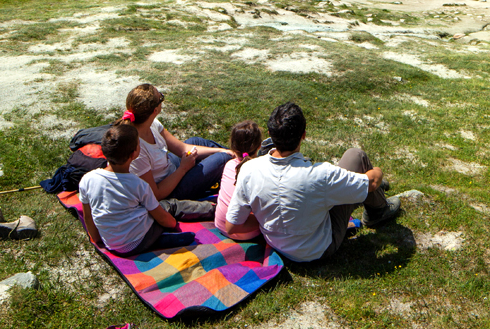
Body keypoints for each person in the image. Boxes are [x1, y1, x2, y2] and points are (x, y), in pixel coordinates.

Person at [225, 102, 400, 263]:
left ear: (270, 135)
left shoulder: (248, 170)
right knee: (356, 156)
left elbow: (232, 226)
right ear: (304, 135)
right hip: (319, 249)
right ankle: (378, 212)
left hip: (279, 246)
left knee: (331, 188)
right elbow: (372, 183)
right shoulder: (320, 174)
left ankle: (361, 192)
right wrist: (377, 172)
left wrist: (271, 223)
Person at [80, 124, 215, 255]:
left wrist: (97, 239)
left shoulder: (88, 179)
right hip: (138, 240)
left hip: (112, 243)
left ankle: (157, 240)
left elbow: (88, 215)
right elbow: (161, 217)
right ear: (134, 154)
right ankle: (212, 210)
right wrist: (173, 225)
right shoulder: (138, 184)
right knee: (169, 205)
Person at [122, 84, 234, 201]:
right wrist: (183, 169)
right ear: (155, 110)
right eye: (161, 98)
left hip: (169, 168)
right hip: (169, 193)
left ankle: (238, 157)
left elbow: (182, 148)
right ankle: (242, 169)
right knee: (222, 159)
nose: (162, 99)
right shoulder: (137, 149)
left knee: (197, 142)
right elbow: (156, 194)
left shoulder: (152, 123)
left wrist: (221, 149)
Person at [215, 120, 263, 241]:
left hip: (220, 225)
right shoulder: (260, 171)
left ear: (232, 146)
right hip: (247, 232)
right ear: (259, 146)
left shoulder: (229, 164)